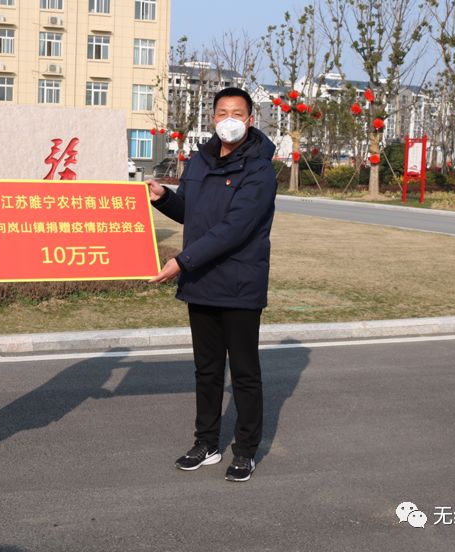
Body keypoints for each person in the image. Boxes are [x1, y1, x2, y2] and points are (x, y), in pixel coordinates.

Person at [148, 87, 277, 482]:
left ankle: (246, 450)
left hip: (239, 283)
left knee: (243, 372)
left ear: (251, 119)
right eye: (222, 112)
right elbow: (193, 213)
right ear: (213, 118)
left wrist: (181, 261)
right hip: (202, 281)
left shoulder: (259, 169)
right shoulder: (200, 161)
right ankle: (206, 442)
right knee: (205, 370)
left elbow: (234, 229)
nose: (230, 119)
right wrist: (163, 198)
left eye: (238, 112)